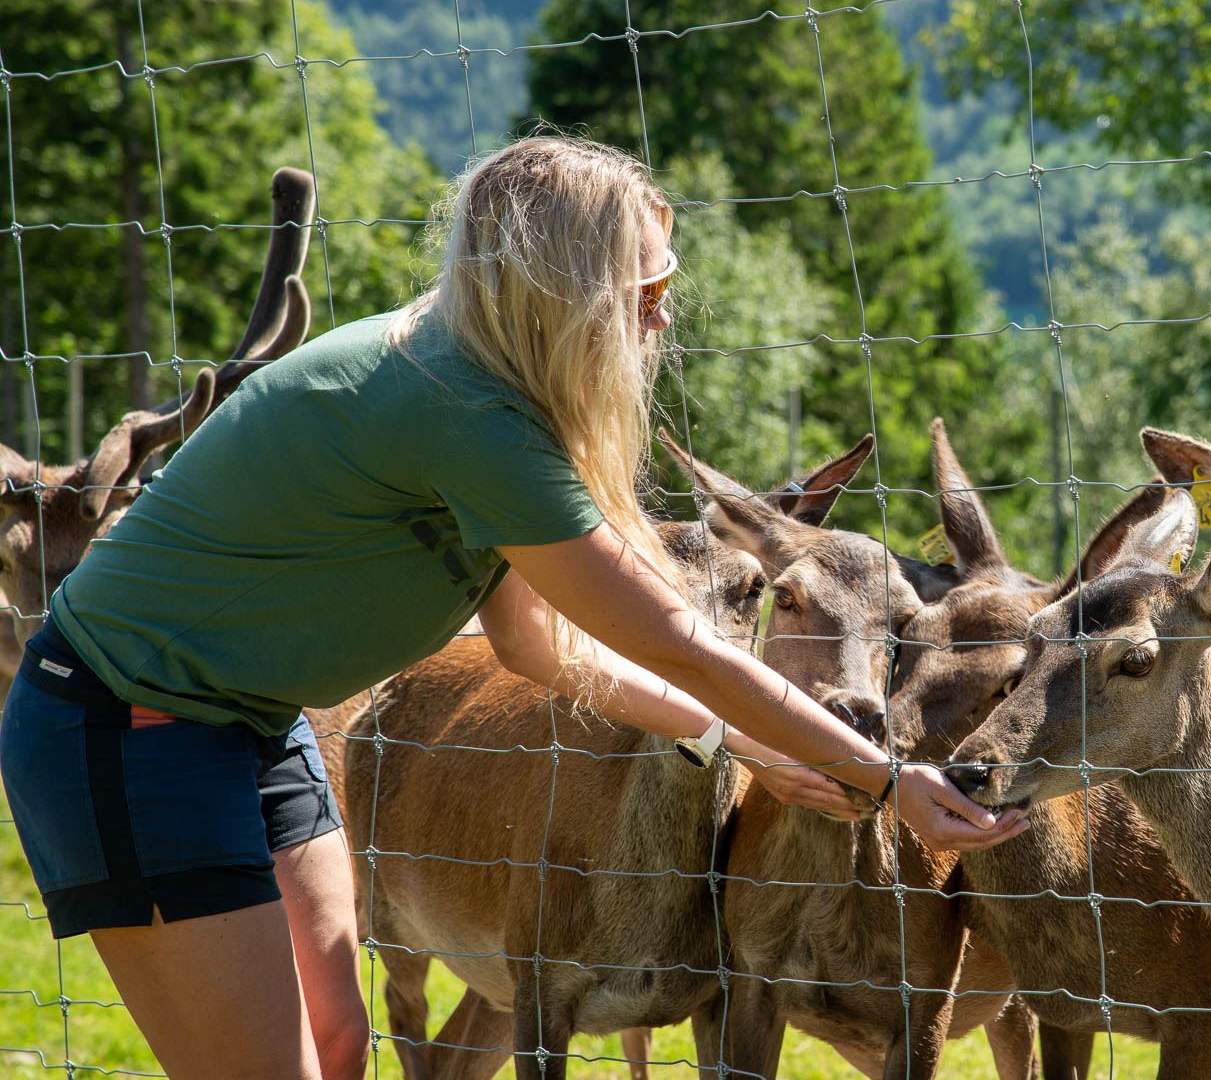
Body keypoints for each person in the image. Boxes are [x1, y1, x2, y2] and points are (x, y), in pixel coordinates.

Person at [0, 134, 1027, 1080]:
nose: (664, 313)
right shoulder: (469, 413)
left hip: (252, 725)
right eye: (649, 286)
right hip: (128, 729)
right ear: (568, 288)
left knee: (338, 1039)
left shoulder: (493, 392)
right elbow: (675, 642)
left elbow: (532, 646)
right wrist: (883, 777)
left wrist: (740, 745)